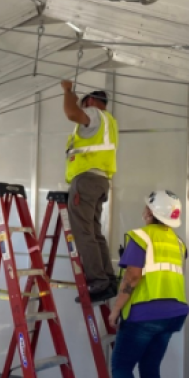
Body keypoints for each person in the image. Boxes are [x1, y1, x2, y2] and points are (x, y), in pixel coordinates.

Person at [109, 190, 189, 378]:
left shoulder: (141, 236)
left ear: (152, 212)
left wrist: (116, 309)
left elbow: (133, 276)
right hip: (172, 314)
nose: (143, 209)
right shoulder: (177, 242)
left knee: (121, 367)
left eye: (147, 206)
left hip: (145, 314)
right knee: (150, 369)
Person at [61, 79, 120, 302]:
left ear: (92, 101)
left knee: (84, 233)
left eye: (84, 103)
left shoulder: (94, 114)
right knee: (94, 233)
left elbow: (71, 113)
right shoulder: (109, 122)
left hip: (86, 181)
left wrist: (68, 91)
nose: (82, 106)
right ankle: (107, 279)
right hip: (100, 181)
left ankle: (98, 282)